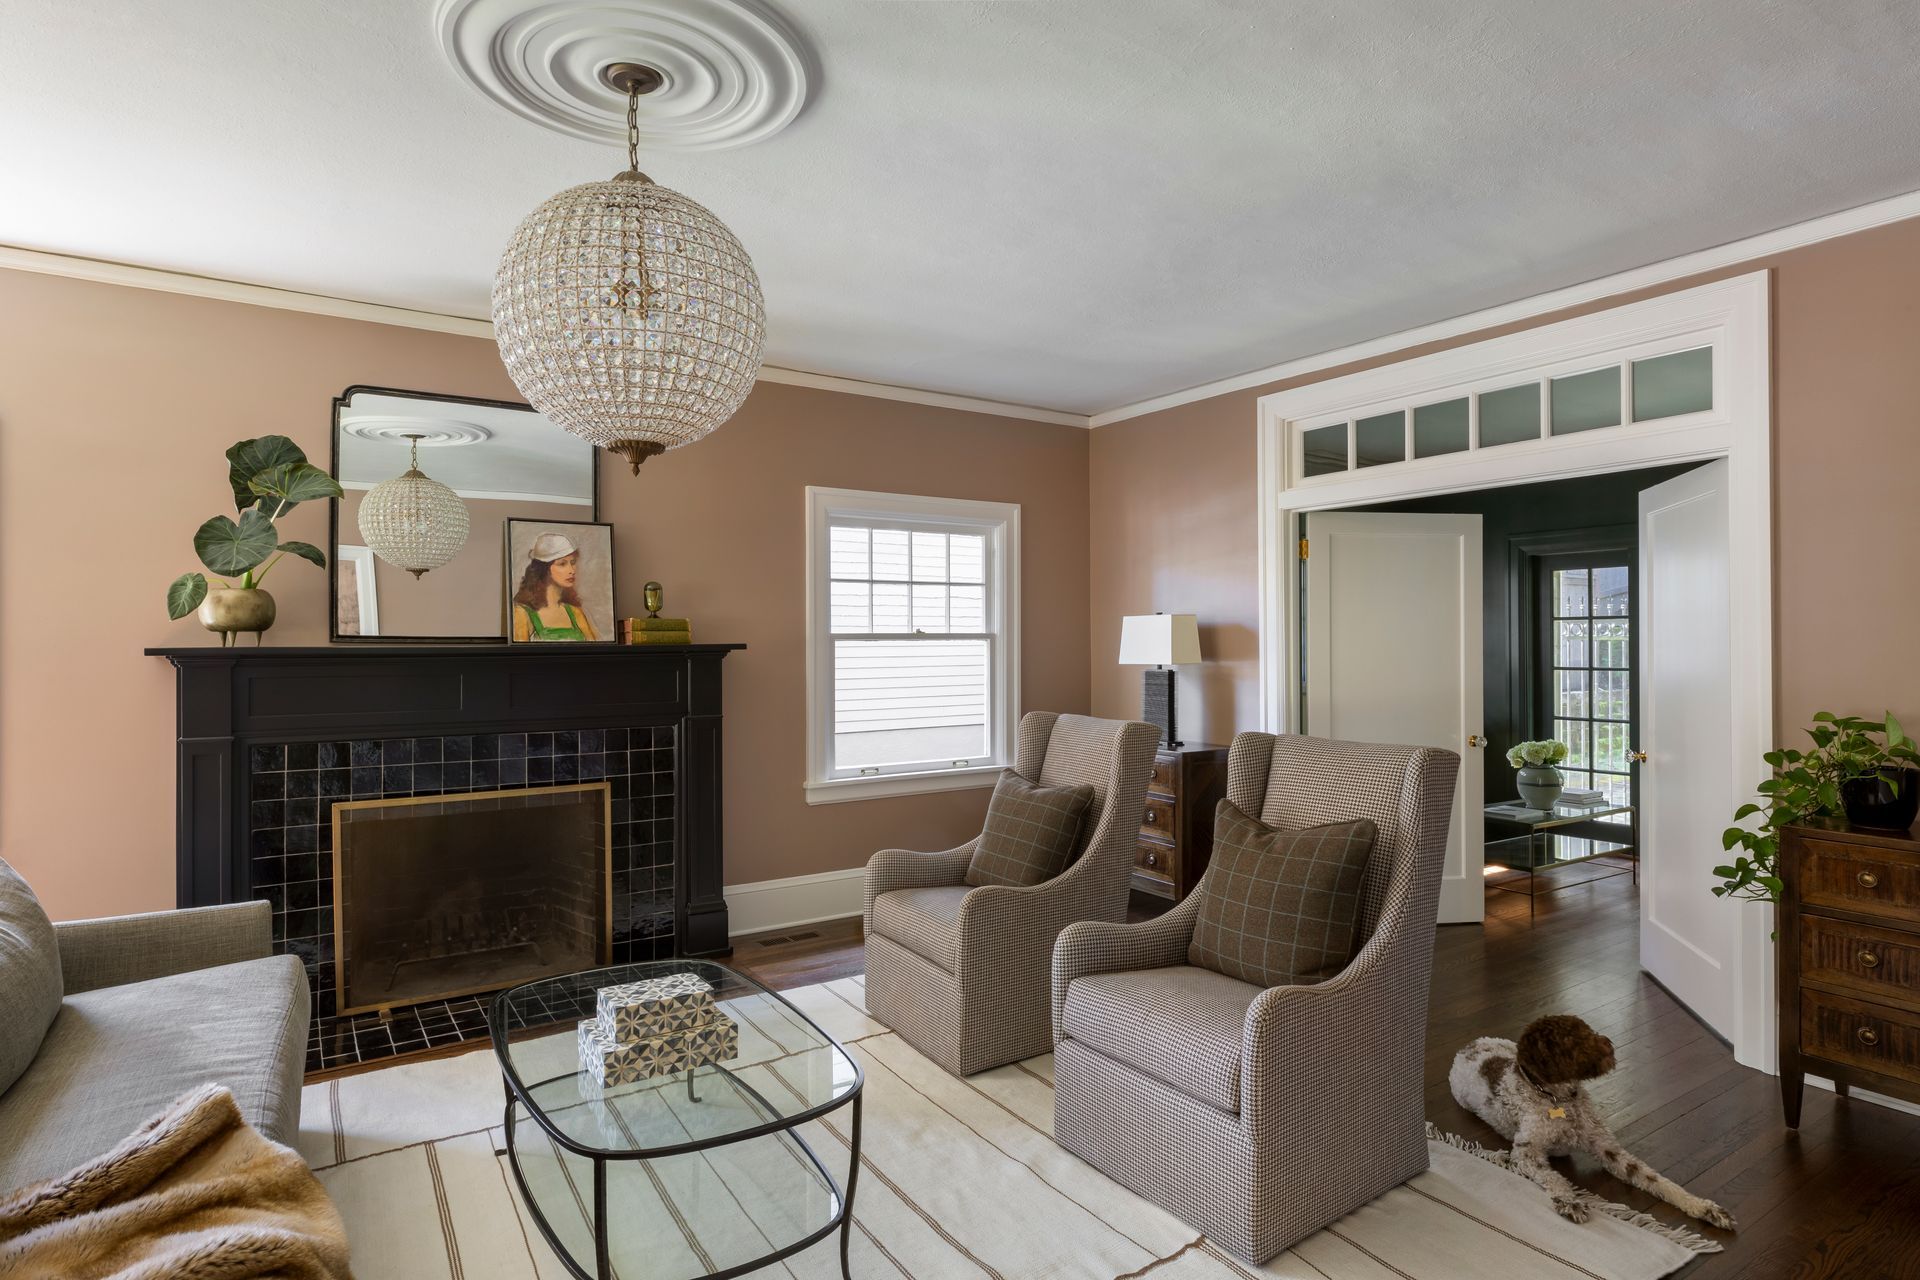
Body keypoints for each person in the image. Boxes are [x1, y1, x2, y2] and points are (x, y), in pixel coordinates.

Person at [511, 532, 599, 641]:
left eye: (573, 562)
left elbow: (593, 651)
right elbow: (521, 656)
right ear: (545, 569)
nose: (572, 571)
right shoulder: (522, 614)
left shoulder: (575, 613)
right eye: (562, 564)